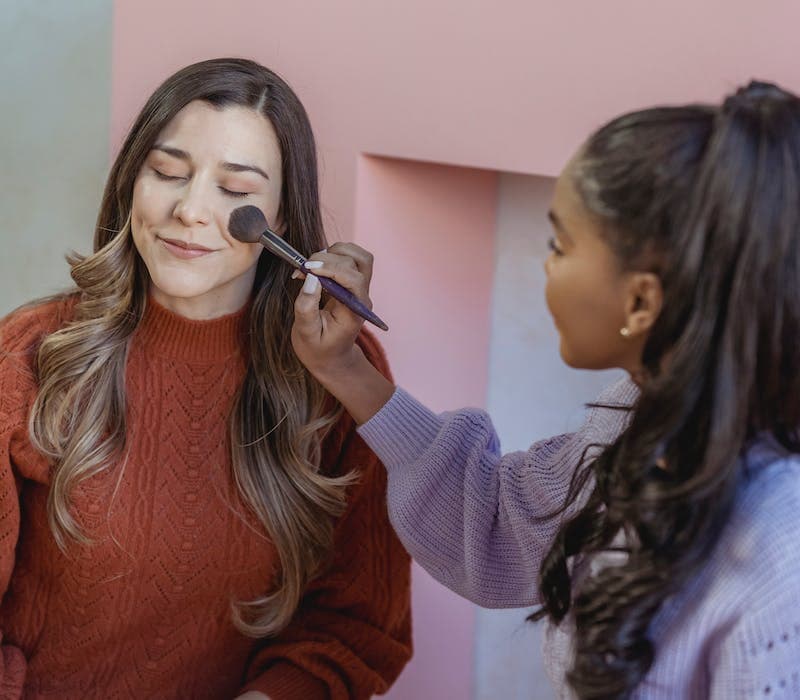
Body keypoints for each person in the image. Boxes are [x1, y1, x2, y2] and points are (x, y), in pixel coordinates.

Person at [291, 81, 800, 698]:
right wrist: (343, 366)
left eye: (560, 245)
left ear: (640, 301)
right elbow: (497, 521)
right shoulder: (640, 417)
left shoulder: (780, 559)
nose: (546, 264)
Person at [0, 58, 411, 699]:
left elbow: (354, 627)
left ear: (282, 216)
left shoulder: (339, 375)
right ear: (131, 181)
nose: (190, 210)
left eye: (235, 188)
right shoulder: (30, 354)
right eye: (167, 173)